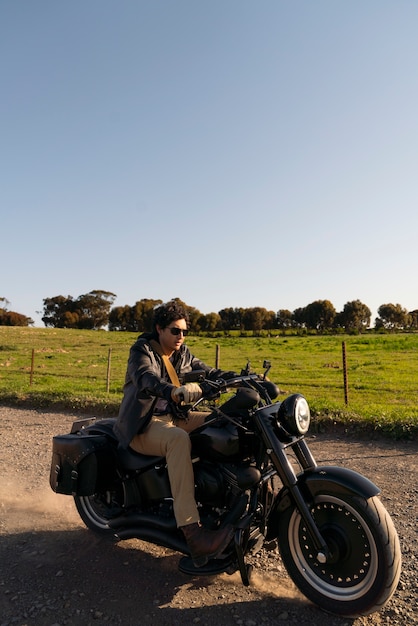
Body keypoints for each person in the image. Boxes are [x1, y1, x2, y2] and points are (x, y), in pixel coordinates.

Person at [114, 300, 235, 567]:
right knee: (178, 440)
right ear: (159, 329)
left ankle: (226, 497)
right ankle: (193, 533)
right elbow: (146, 378)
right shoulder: (142, 351)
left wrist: (242, 378)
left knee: (225, 422)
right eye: (174, 331)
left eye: (184, 331)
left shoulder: (183, 354)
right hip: (143, 426)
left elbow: (209, 372)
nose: (180, 336)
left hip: (174, 418)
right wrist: (171, 390)